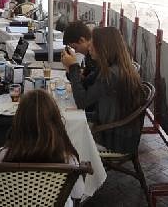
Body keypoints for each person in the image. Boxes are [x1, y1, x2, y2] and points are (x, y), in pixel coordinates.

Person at [0, 89, 84, 205]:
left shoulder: (1, 157)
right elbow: (78, 193)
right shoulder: (68, 160)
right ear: (55, 122)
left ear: (19, 121)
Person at [61, 26, 142, 154]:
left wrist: (74, 67)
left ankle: (76, 170)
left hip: (114, 138)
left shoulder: (112, 74)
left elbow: (82, 101)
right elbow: (87, 89)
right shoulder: (114, 67)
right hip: (113, 127)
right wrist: (70, 69)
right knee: (63, 118)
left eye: (93, 44)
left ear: (104, 47)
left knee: (62, 135)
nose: (89, 47)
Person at [63, 21, 99, 89]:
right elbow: (83, 80)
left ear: (82, 40)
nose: (76, 51)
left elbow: (85, 87)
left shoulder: (96, 59)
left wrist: (73, 66)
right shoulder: (88, 57)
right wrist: (69, 68)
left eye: (75, 48)